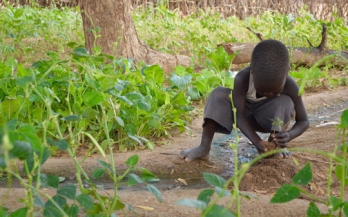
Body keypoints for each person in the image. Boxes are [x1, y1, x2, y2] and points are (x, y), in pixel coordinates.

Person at [179, 39, 309, 162]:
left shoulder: (291, 86)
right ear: (252, 70)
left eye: (275, 91)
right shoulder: (242, 78)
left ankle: (273, 147)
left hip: (267, 118)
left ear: (287, 72)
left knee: (285, 102)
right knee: (218, 94)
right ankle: (204, 147)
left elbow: (303, 121)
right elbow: (239, 115)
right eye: (262, 90)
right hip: (243, 116)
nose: (268, 94)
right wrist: (257, 142)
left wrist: (288, 136)